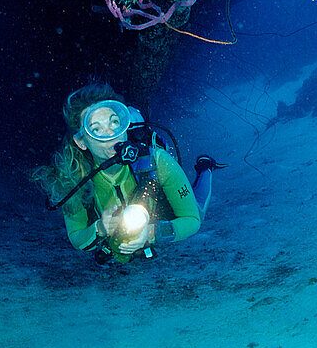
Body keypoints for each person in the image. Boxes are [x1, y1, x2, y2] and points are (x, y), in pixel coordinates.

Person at [34, 82, 219, 264]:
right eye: (96, 129)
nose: (110, 133)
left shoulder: (158, 160)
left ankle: (205, 168)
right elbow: (77, 238)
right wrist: (100, 227)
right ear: (81, 142)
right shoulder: (74, 179)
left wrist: (151, 232)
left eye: (114, 122)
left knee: (198, 208)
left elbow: (192, 220)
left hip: (161, 214)